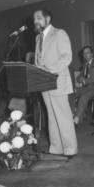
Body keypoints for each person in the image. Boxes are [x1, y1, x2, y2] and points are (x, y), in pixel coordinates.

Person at [34, 9, 77, 159]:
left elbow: (67, 57)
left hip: (57, 81)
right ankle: (56, 147)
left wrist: (49, 70)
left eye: (38, 18)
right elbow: (38, 61)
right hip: (44, 83)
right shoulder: (38, 38)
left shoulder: (59, 33)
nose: (35, 21)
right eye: (34, 19)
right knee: (51, 116)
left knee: (63, 116)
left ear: (48, 18)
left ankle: (70, 149)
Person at [73, 46, 94, 124]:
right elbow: (78, 77)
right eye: (84, 54)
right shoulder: (85, 65)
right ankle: (73, 115)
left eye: (87, 53)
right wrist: (80, 78)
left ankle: (76, 120)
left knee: (83, 97)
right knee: (71, 93)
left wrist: (85, 81)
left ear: (92, 54)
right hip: (87, 88)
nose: (85, 55)